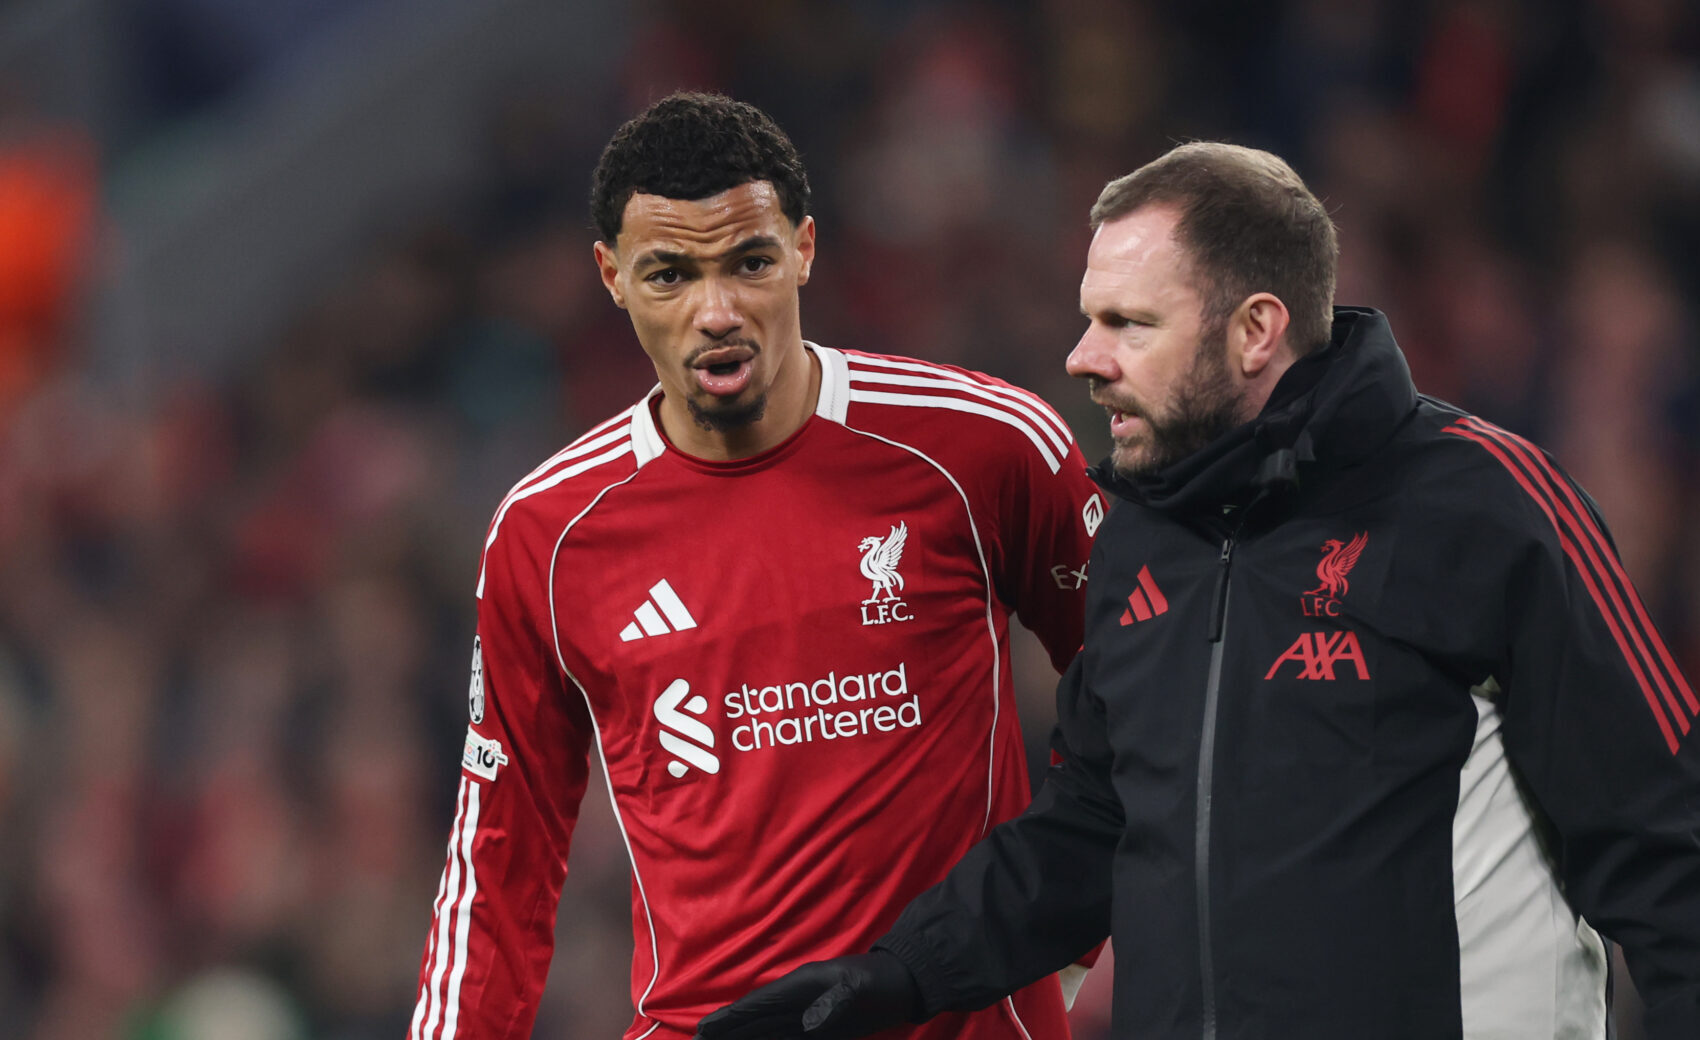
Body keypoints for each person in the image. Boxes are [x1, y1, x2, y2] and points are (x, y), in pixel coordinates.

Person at [697, 142, 1700, 1040]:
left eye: (1126, 322)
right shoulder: (1137, 542)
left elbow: (1664, 840)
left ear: (1255, 329)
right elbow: (1092, 826)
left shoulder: (1485, 506)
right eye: (1089, 317)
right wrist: (901, 972)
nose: (1082, 357)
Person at [407, 92, 1104, 1040]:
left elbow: (1148, 699)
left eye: (750, 262)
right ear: (610, 276)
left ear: (805, 248)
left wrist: (1087, 930)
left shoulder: (983, 448)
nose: (717, 311)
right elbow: (497, 864)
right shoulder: (549, 533)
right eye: (670, 276)